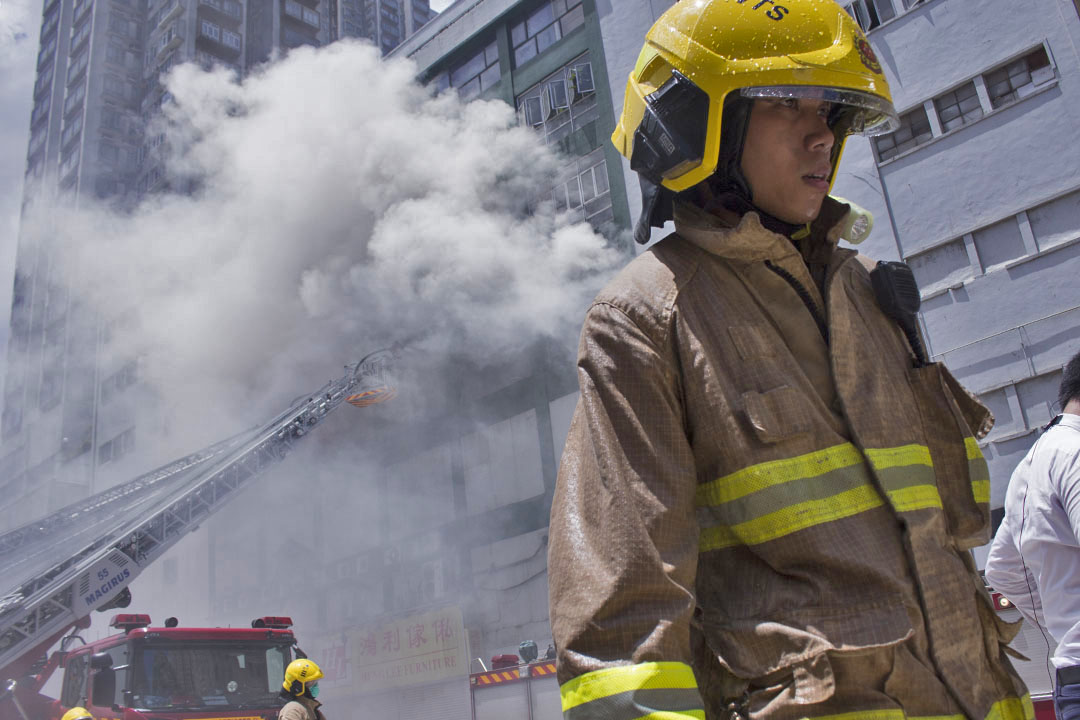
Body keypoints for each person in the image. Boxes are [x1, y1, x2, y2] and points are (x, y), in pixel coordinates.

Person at [547, 1, 1033, 719]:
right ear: (696, 129)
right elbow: (624, 618)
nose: (821, 136)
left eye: (831, 109)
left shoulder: (869, 289)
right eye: (783, 104)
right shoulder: (645, 318)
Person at [986, 351, 1080, 719]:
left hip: (1071, 679)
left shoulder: (1030, 466)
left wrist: (1066, 623)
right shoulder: (1075, 454)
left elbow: (1001, 569)